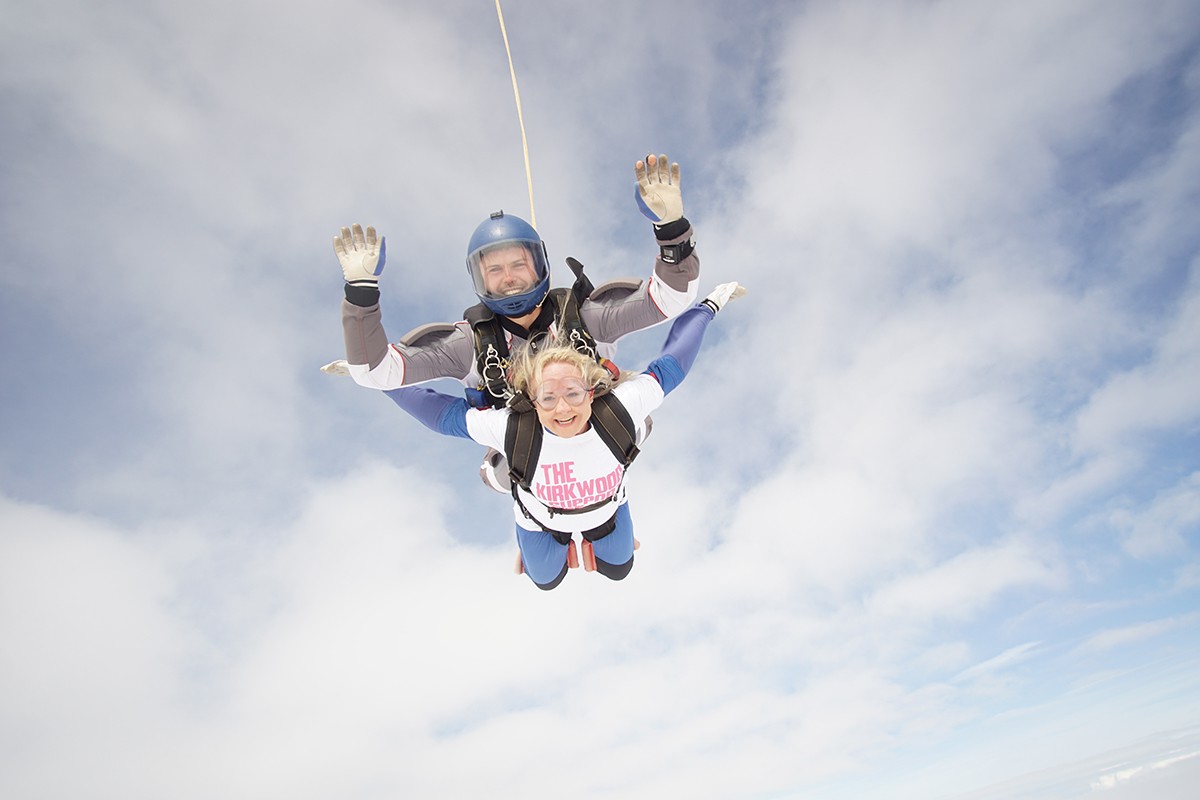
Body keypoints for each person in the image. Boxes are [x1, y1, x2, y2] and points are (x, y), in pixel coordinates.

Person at [329, 154, 701, 490]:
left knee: (632, 423)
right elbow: (379, 372)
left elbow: (668, 300)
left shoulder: (585, 317)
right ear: (479, 280)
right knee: (506, 476)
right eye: (494, 270)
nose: (508, 278)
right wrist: (361, 293)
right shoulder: (469, 345)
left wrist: (671, 229)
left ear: (539, 265)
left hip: (600, 432)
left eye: (518, 265)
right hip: (523, 456)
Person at [384, 282, 745, 590]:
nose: (562, 409)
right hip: (541, 520)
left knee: (619, 569)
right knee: (546, 580)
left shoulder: (620, 407)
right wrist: (382, 381)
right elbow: (441, 416)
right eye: (548, 397)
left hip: (605, 510)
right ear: (532, 401)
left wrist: (707, 307)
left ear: (591, 391)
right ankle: (549, 534)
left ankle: (585, 542)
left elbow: (673, 364)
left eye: (572, 393)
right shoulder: (512, 425)